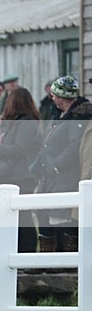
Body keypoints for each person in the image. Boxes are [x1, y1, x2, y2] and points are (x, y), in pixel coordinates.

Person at [30, 76, 89, 253]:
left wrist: (57, 166)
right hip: (49, 179)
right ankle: (45, 261)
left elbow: (74, 146)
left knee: (62, 219)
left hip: (63, 179)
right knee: (44, 216)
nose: (52, 98)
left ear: (63, 96)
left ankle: (64, 262)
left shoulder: (75, 119)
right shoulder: (59, 116)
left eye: (55, 95)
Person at [0, 87, 42, 253]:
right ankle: (19, 253)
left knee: (23, 217)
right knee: (16, 218)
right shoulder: (21, 123)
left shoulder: (26, 123)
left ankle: (27, 253)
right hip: (15, 175)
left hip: (22, 176)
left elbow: (19, 149)